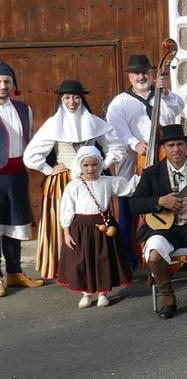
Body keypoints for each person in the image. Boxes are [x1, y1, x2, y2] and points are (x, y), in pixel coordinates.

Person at [24, 79, 125, 280]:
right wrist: (48, 169)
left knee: (95, 223)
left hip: (93, 180)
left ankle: (96, 267)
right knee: (64, 221)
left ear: (82, 99)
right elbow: (31, 156)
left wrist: (103, 165)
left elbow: (116, 147)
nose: (72, 102)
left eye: (76, 97)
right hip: (63, 181)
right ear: (61, 99)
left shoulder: (95, 122)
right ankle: (66, 269)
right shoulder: (53, 124)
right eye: (67, 97)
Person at [128, 124, 187, 318]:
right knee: (154, 253)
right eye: (171, 145)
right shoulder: (151, 173)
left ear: (185, 146)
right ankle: (167, 297)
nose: (176, 149)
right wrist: (160, 201)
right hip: (163, 229)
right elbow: (134, 205)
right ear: (164, 148)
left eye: (180, 144)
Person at [106, 53, 187, 266]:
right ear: (129, 77)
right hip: (134, 163)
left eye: (145, 72)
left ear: (152, 74)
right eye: (136, 73)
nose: (141, 77)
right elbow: (117, 129)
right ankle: (129, 258)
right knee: (130, 210)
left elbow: (177, 109)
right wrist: (134, 143)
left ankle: (173, 253)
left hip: (162, 157)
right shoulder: (119, 103)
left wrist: (166, 92)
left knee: (167, 204)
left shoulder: (163, 95)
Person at [55, 147, 135, 309]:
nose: (90, 169)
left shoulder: (108, 182)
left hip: (104, 225)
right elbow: (66, 209)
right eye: (86, 165)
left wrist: (144, 176)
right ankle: (87, 293)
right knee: (84, 259)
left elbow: (128, 188)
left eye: (94, 164)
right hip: (81, 228)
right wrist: (66, 232)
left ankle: (103, 293)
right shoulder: (74, 185)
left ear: (100, 165)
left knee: (102, 259)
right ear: (80, 166)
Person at [0, 61, 39, 296]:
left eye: (7, 81)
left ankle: (14, 272)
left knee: (14, 225)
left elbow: (31, 140)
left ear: (13, 84)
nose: (3, 86)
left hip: (17, 176)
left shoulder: (24, 109)